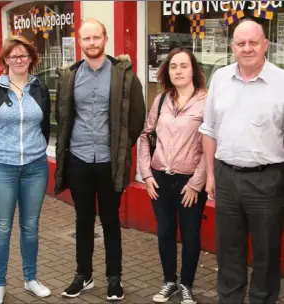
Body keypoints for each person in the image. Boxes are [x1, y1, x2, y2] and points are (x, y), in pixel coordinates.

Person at [54, 18, 146, 301]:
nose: (92, 43)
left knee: (110, 221)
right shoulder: (71, 75)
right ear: (80, 42)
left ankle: (114, 276)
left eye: (96, 37)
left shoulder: (124, 75)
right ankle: (84, 275)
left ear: (105, 39)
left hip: (109, 162)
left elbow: (136, 119)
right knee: (83, 219)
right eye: (86, 39)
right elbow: (63, 115)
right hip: (79, 159)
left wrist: (120, 146)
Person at [199, 19, 284, 304]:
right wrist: (211, 176)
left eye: (253, 43)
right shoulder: (220, 78)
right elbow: (209, 130)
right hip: (226, 179)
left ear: (265, 45)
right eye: (240, 43)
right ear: (232, 46)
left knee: (267, 253)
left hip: (268, 180)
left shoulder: (281, 82)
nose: (247, 48)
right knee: (229, 251)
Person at [0, 36, 51, 304]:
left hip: (35, 167)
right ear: (5, 59)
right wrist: (0, 149)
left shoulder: (40, 89)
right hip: (1, 169)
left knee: (30, 226)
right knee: (3, 226)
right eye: (13, 56)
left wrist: (35, 149)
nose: (19, 60)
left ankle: (31, 279)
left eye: (24, 55)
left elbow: (44, 126)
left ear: (31, 58)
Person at [139, 48, 208, 304]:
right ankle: (169, 281)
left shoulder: (206, 101)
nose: (178, 71)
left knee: (190, 234)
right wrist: (146, 174)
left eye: (184, 66)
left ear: (194, 70)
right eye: (173, 66)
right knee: (165, 232)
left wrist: (196, 183)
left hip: (190, 182)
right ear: (168, 71)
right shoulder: (160, 100)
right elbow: (145, 135)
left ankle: (186, 285)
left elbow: (210, 145)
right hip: (160, 179)